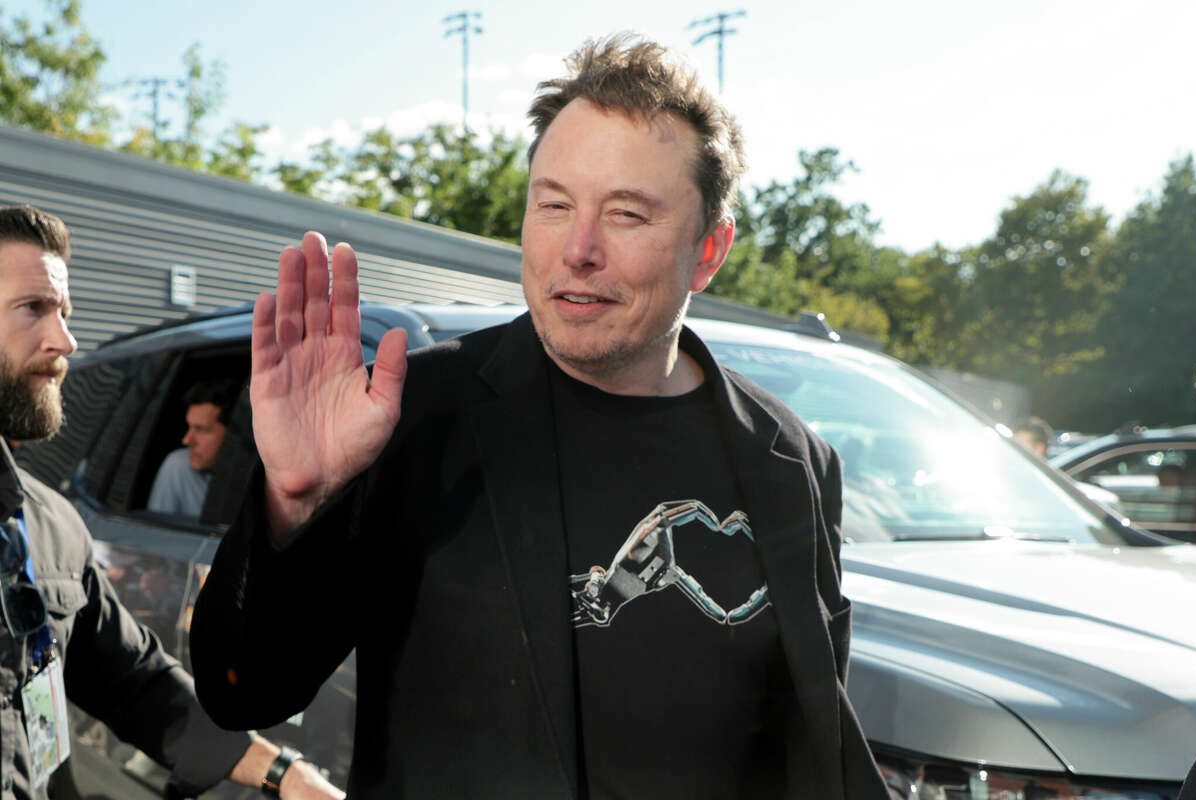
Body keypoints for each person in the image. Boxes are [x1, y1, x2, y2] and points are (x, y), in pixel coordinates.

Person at [191, 34, 890, 799]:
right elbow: (243, 691)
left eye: (626, 214)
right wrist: (293, 503)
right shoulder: (411, 414)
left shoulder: (789, 460)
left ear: (709, 249)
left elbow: (811, 744)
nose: (578, 248)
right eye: (553, 205)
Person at [0, 204, 344, 799]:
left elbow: (134, 681)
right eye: (33, 308)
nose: (66, 339)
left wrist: (285, 775)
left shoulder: (48, 525)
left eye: (65, 311)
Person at [147, 379, 240, 517]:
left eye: (201, 430)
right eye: (189, 427)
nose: (186, 440)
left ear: (233, 436)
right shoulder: (179, 467)